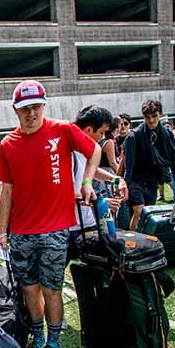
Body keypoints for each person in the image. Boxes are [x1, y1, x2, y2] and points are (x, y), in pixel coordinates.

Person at [0, 80, 101, 348]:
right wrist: (3, 231)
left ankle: (54, 344)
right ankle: (38, 338)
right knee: (30, 289)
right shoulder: (8, 144)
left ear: (43, 106)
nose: (31, 114)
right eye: (25, 109)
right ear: (15, 111)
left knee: (52, 288)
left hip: (56, 229)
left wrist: (88, 182)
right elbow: (7, 190)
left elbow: (94, 151)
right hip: (21, 232)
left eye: (36, 107)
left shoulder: (63, 130)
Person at [69, 106, 127, 248]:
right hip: (72, 227)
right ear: (89, 130)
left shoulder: (82, 150)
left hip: (87, 221)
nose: (102, 137)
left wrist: (116, 179)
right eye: (101, 132)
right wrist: (100, 202)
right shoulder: (67, 154)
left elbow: (91, 171)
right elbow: (65, 192)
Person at [123, 100, 175, 229]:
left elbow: (174, 160)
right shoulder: (133, 136)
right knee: (138, 210)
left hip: (152, 179)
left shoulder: (166, 134)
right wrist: (124, 185)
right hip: (135, 178)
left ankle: (145, 241)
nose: (151, 120)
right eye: (147, 117)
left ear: (160, 114)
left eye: (154, 116)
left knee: (148, 213)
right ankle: (133, 242)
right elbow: (128, 165)